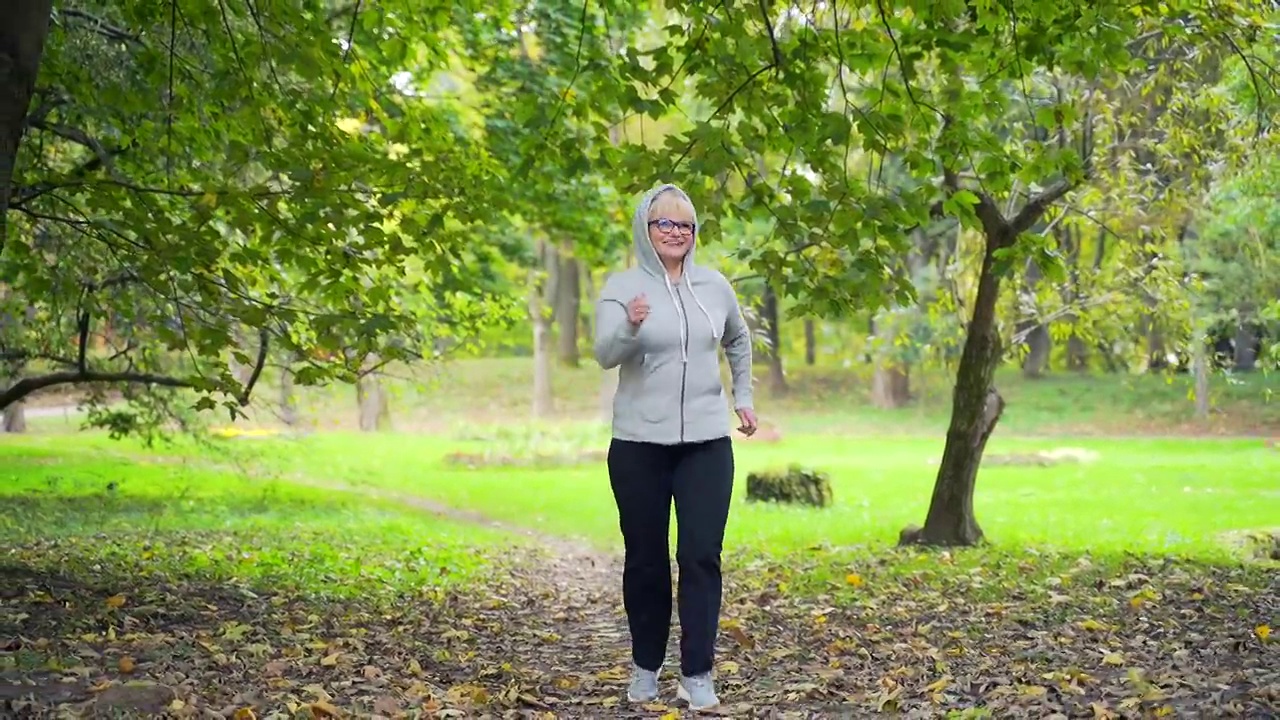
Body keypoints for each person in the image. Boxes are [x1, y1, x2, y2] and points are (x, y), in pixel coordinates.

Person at [592, 183, 757, 711]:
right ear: (646, 228)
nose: (676, 233)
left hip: (707, 443)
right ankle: (645, 666)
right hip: (639, 445)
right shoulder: (622, 287)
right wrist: (631, 325)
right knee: (645, 560)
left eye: (685, 225)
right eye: (664, 223)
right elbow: (603, 353)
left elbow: (738, 338)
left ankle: (698, 673)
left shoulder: (714, 285)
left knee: (701, 556)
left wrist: (744, 398)